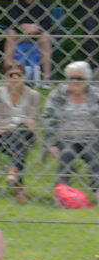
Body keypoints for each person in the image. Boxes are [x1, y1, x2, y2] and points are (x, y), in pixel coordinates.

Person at [43, 61, 99, 200]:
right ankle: (63, 194)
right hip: (64, 138)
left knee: (94, 157)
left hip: (92, 138)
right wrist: (51, 143)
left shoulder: (96, 95)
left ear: (87, 80)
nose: (74, 81)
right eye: (70, 78)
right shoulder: (58, 95)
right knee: (67, 153)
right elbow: (48, 119)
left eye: (79, 79)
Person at [0, 64, 40, 201]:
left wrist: (10, 124)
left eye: (19, 74)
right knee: (19, 138)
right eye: (11, 75)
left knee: (21, 134)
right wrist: (18, 121)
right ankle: (18, 183)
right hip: (0, 138)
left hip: (24, 135)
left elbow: (32, 120)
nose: (15, 77)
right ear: (5, 78)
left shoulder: (33, 95)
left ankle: (14, 171)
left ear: (24, 77)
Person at [3, 0, 54, 81]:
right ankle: (7, 74)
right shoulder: (15, 0)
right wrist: (23, 26)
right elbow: (12, 21)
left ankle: (46, 78)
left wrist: (36, 27)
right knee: (10, 33)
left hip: (38, 33)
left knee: (45, 37)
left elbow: (47, 23)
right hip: (20, 33)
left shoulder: (45, 0)